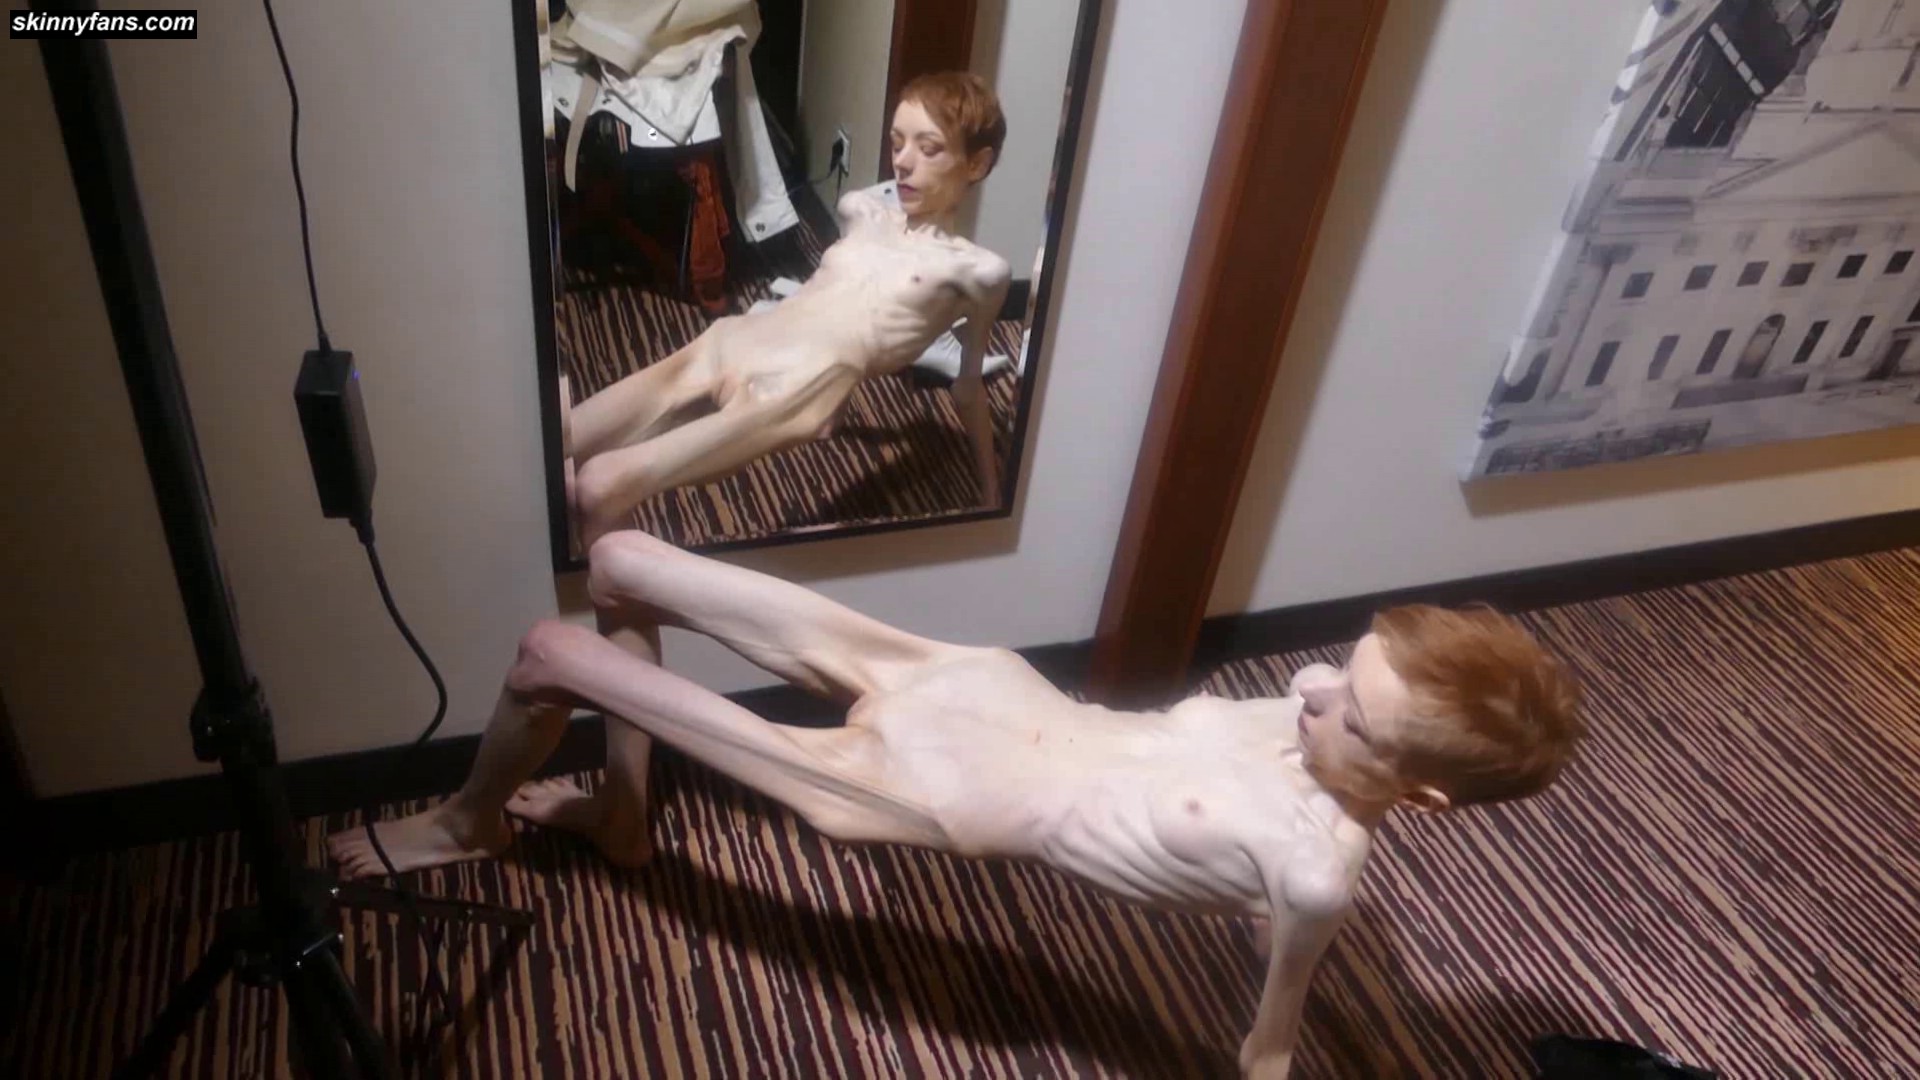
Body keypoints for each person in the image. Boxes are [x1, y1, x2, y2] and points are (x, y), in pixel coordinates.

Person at [330, 530, 1586, 1078]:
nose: (1312, 689)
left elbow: (1267, 1046)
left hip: (938, 793)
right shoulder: (1319, 715)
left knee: (549, 653)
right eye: (1347, 666)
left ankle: (465, 822)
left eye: (1351, 714)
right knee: (618, 566)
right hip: (976, 683)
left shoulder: (1313, 871)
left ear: (1418, 797)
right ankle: (624, 812)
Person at [563, 72, 1014, 548]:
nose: (902, 162)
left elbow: (967, 387)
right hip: (733, 338)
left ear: (977, 163)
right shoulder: (861, 211)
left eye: (929, 149)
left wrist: (992, 494)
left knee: (597, 488)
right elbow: (841, 298)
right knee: (557, 438)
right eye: (897, 143)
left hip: (795, 385)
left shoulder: (978, 270)